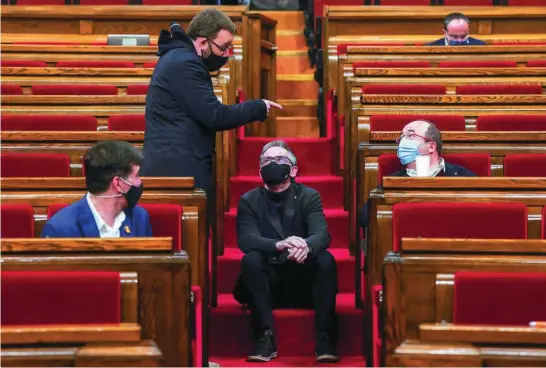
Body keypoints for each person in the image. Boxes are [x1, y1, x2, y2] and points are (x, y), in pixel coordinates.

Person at [141, 9, 282, 218]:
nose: (226, 54)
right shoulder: (185, 63)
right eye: (223, 47)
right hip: (178, 167)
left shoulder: (179, 57)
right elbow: (215, 116)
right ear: (202, 42)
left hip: (177, 161)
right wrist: (258, 107)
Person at [233, 140, 339, 363]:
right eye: (267, 160)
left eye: (279, 160)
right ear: (260, 169)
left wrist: (306, 247)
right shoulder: (249, 200)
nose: (272, 163)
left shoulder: (309, 196)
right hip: (268, 282)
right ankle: (264, 336)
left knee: (326, 259)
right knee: (251, 259)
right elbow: (246, 239)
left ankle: (325, 337)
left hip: (302, 279)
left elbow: (322, 234)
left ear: (293, 170)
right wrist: (278, 245)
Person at [358, 120, 476, 229]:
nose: (403, 142)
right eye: (401, 137)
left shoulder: (462, 175)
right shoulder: (393, 181)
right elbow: (364, 218)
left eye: (410, 135)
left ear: (431, 146)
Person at [42, 141, 151, 238]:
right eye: (136, 176)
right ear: (118, 183)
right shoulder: (60, 228)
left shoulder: (139, 218)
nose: (140, 182)